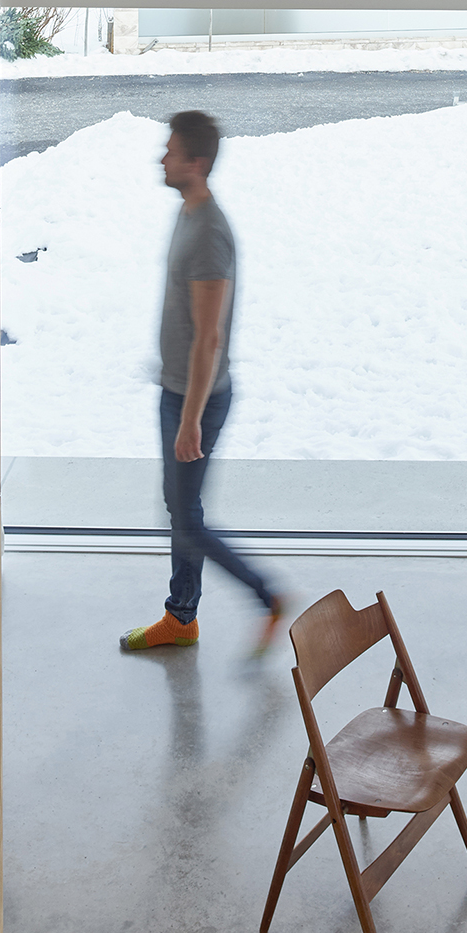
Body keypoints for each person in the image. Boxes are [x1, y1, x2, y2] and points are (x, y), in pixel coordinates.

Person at [120, 110, 291, 655]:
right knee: (181, 511)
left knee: (187, 518)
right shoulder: (188, 213)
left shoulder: (211, 234)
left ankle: (266, 596)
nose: (161, 159)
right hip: (178, 391)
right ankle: (182, 617)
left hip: (196, 400)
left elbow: (209, 338)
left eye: (171, 152)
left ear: (195, 163)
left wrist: (190, 418)